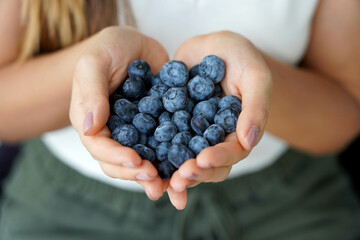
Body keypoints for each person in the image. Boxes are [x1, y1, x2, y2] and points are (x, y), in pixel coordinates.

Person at [0, 0, 359, 239]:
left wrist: (257, 84)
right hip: (68, 209)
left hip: (285, 204)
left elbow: (344, 116)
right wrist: (88, 70)